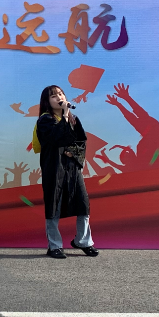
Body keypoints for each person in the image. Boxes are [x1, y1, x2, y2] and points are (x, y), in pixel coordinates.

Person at [33, 85, 99, 259]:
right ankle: (54, 246)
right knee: (53, 206)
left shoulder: (73, 118)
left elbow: (81, 140)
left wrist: (73, 152)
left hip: (72, 168)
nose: (59, 98)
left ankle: (83, 241)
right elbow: (55, 138)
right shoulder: (44, 120)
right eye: (54, 96)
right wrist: (64, 114)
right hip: (54, 168)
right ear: (47, 101)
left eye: (61, 94)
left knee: (83, 205)